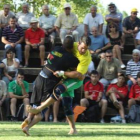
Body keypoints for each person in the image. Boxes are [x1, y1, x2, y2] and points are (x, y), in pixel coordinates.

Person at [24, 36, 91, 135]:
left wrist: (62, 73)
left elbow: (78, 75)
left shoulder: (86, 58)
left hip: (75, 80)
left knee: (58, 90)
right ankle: (73, 129)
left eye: (86, 48)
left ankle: (39, 109)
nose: (83, 50)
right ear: (78, 43)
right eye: (82, 47)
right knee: (67, 105)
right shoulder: (72, 46)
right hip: (65, 77)